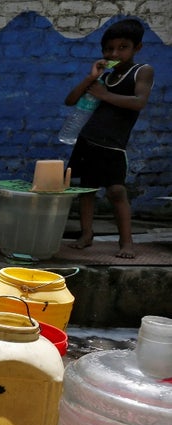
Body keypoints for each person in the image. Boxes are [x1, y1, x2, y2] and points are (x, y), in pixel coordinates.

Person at [65, 18, 154, 258]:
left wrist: (104, 95)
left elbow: (139, 102)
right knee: (86, 190)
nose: (115, 53)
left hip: (113, 145)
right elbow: (70, 100)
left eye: (123, 47)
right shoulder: (104, 75)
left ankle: (126, 243)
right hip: (88, 140)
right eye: (109, 48)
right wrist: (90, 78)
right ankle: (86, 234)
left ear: (137, 48)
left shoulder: (142, 71)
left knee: (116, 192)